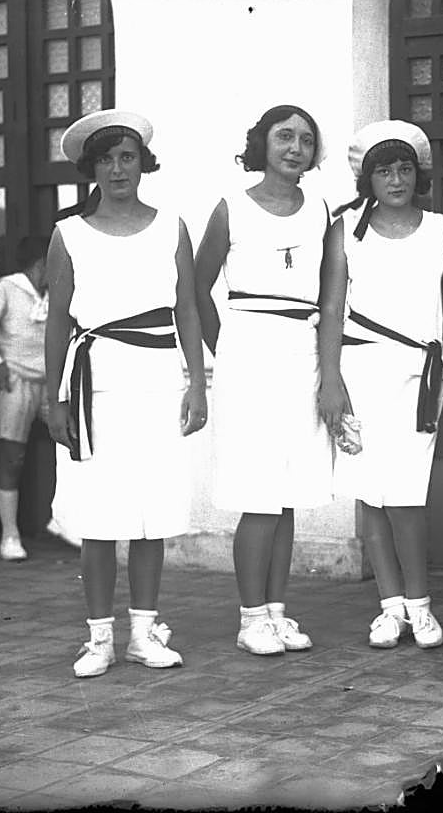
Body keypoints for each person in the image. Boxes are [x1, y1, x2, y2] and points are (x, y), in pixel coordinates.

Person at [44, 109, 208, 678]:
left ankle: (142, 633)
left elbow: (187, 309)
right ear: (91, 169)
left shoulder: (171, 228)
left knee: (149, 512)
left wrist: (196, 383)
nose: (117, 169)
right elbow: (57, 321)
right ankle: (99, 639)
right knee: (99, 515)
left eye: (128, 157)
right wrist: (54, 398)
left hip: (157, 380)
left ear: (143, 164)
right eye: (106, 160)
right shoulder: (68, 233)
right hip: (94, 383)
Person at [317, 120, 443, 650]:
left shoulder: (440, 229)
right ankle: (390, 607)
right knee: (371, 494)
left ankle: (420, 605)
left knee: (407, 494)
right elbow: (331, 309)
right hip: (361, 372)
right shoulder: (345, 230)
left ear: (417, 174)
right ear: (369, 179)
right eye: (384, 171)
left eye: (404, 169)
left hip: (420, 375)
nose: (396, 180)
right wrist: (331, 381)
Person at [195, 104, 336, 657]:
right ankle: (250, 616)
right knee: (258, 495)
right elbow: (197, 289)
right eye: (284, 136)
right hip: (248, 354)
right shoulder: (230, 208)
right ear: (263, 144)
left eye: (305, 139)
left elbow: (329, 293)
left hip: (303, 352)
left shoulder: (320, 210)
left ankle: (277, 612)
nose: (295, 147)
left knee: (288, 494)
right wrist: (227, 350)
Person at [0, 235, 57, 560]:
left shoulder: (55, 292)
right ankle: (10, 535)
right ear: (41, 264)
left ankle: (69, 520)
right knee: (12, 456)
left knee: (73, 446)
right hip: (16, 382)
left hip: (51, 384)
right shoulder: (6, 289)